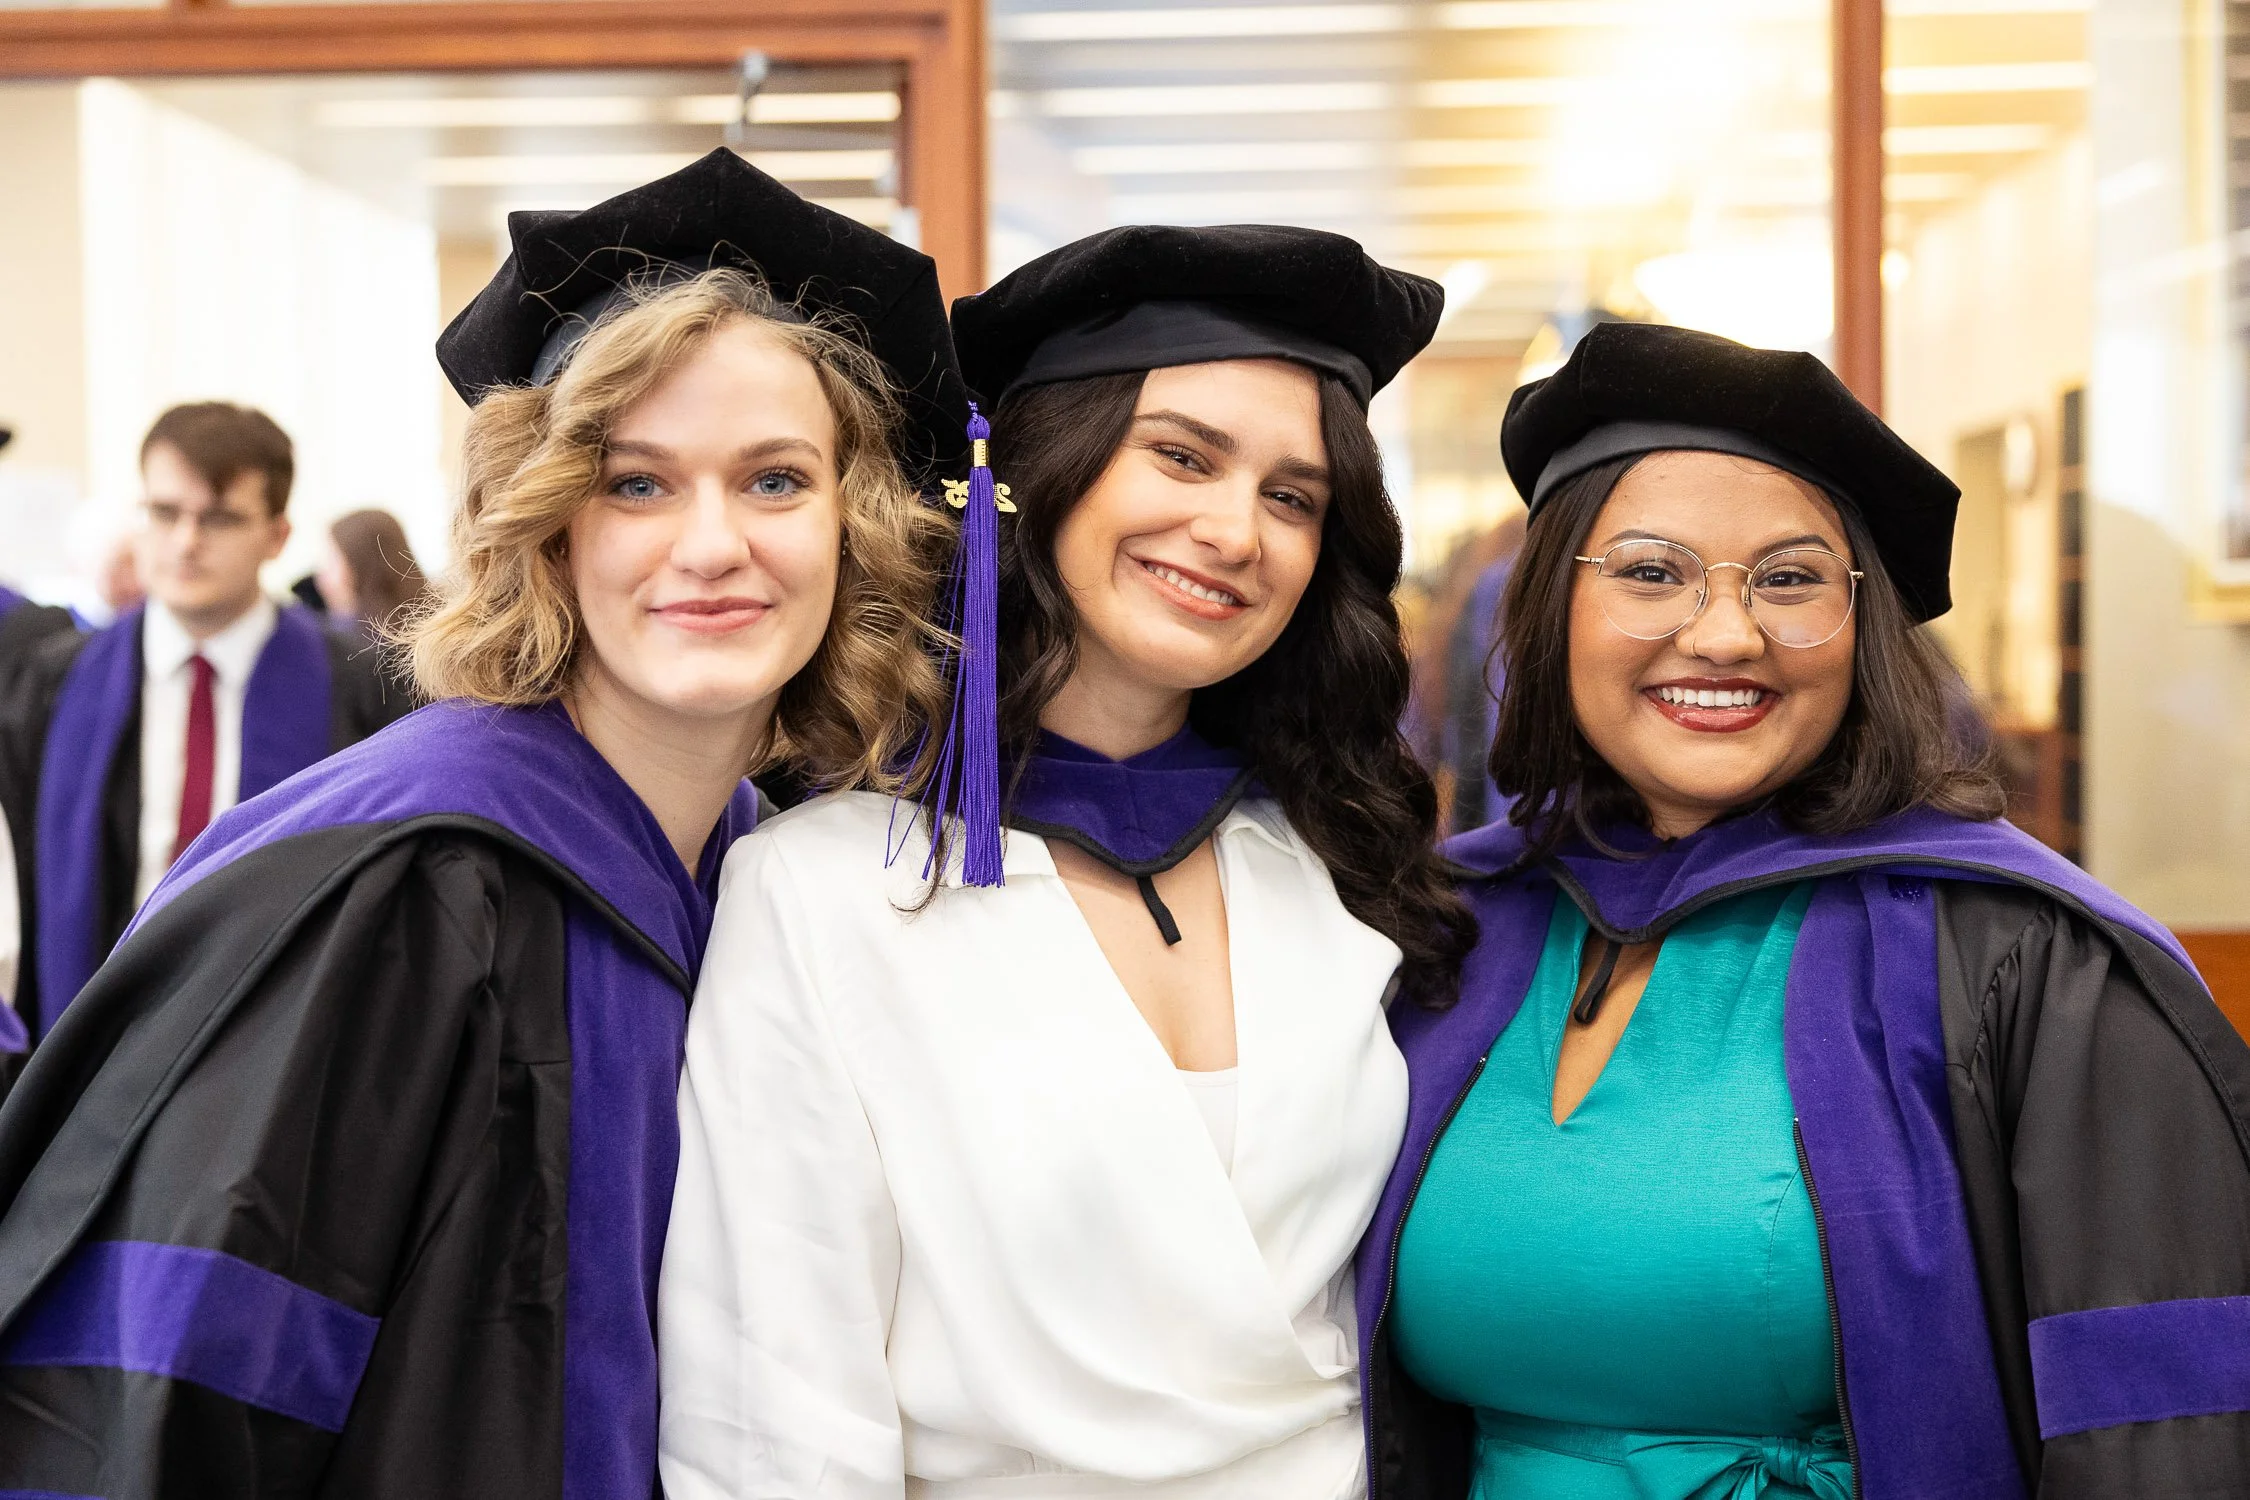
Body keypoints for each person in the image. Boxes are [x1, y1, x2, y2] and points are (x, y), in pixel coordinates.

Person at [0, 149, 959, 1498]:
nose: (709, 543)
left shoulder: (760, 874)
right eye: (635, 483)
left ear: (854, 530)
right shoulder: (411, 884)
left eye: (774, 480)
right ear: (547, 526)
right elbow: (181, 1397)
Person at [1355, 322, 2250, 1499]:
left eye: (1789, 579)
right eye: (1649, 570)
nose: (1726, 634)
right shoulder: (1447, 934)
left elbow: (2162, 1425)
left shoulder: (2022, 960)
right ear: (1548, 613)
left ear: (1862, 626)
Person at [659, 224, 1477, 1499]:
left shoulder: (1330, 865)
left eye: (1292, 496)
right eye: (1181, 456)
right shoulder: (825, 893)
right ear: (1040, 470)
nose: (1234, 530)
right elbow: (774, 1417)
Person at [1, 402, 408, 1043]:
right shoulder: (51, 685)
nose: (186, 542)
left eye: (219, 518)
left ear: (277, 535)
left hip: (277, 1048)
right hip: (98, 1039)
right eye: (165, 513)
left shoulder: (362, 687)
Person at [316, 507, 431, 642]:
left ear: (361, 569)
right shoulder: (434, 620)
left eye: (332, 564)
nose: (322, 578)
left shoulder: (347, 646)